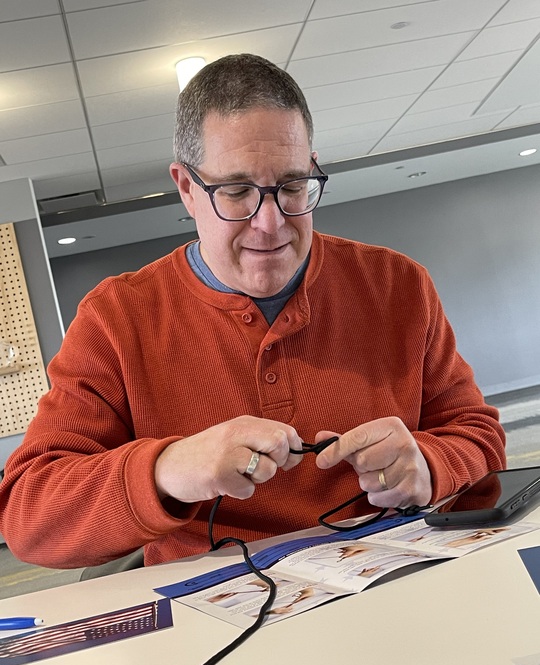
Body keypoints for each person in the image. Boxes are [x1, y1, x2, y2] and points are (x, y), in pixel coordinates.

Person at [0, 54, 505, 570]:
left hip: (390, 574)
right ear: (186, 187)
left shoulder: (398, 286)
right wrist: (167, 470)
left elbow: (479, 436)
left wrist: (430, 463)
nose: (271, 223)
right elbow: (29, 517)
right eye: (237, 192)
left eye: (291, 187)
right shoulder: (116, 318)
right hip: (215, 610)